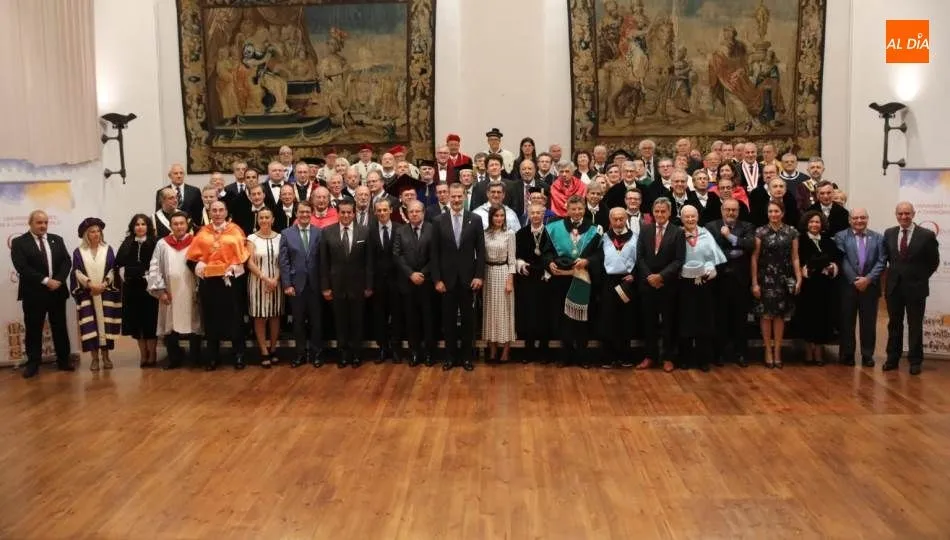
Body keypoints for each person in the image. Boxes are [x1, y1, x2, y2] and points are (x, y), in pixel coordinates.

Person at [187, 200, 250, 370]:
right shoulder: (202, 232)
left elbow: (244, 255)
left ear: (226, 212)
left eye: (221, 210)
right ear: (209, 212)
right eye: (214, 210)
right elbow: (191, 258)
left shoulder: (235, 230)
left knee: (235, 318)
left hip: (230, 283)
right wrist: (198, 265)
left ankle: (239, 354)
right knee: (211, 319)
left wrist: (234, 267)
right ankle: (213, 357)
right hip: (210, 284)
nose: (217, 213)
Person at [11, 210, 74, 378]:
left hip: (57, 292)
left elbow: (67, 261)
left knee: (60, 327)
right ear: (30, 223)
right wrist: (47, 281)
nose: (43, 226)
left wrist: (59, 280)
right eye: (39, 222)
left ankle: (63, 360)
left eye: (45, 222)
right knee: (33, 329)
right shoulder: (19, 243)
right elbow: (22, 268)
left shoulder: (57, 240)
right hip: (34, 294)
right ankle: (33, 363)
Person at [543, 195, 603, 367]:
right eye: (573, 209)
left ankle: (583, 356)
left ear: (584, 209)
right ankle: (565, 355)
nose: (577, 213)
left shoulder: (594, 230)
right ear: (567, 210)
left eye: (580, 209)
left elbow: (600, 254)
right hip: (561, 280)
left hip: (582, 279)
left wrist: (588, 261)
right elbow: (546, 252)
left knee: (582, 318)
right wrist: (549, 263)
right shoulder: (554, 228)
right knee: (563, 319)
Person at [432, 182, 486, 371]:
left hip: (468, 279)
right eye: (452, 196)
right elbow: (434, 253)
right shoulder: (439, 221)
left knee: (468, 321)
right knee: (448, 321)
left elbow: (481, 250)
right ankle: (450, 357)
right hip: (446, 281)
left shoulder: (476, 219)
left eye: (459, 196)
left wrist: (479, 276)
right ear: (448, 197)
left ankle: (466, 357)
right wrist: (437, 279)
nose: (455, 200)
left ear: (465, 197)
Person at [883, 202, 940, 375]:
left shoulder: (927, 235)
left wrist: (919, 278)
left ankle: (915, 361)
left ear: (913, 214)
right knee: (894, 324)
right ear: (896, 214)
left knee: (915, 325)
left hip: (916, 288)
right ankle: (892, 358)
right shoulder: (889, 233)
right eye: (900, 213)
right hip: (894, 288)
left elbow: (933, 262)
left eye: (907, 213)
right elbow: (887, 258)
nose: (904, 217)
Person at [320, 200, 374, 368]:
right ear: (338, 213)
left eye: (349, 212)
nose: (345, 215)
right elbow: (324, 262)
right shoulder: (327, 232)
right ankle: (343, 353)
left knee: (357, 321)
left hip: (358, 286)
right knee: (340, 322)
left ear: (354, 213)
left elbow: (369, 262)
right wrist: (325, 287)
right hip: (336, 286)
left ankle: (357, 353)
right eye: (342, 212)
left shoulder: (364, 232)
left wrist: (369, 285)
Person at [635, 198, 685, 372]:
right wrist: (649, 276)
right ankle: (650, 356)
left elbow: (679, 259)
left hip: (668, 284)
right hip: (647, 283)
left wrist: (661, 276)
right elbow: (639, 257)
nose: (660, 214)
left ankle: (668, 357)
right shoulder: (645, 230)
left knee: (669, 322)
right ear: (652, 212)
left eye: (663, 211)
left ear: (669, 212)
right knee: (649, 322)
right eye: (657, 211)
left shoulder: (677, 232)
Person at [147, 211, 202, 370]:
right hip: (170, 291)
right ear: (170, 226)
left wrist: (200, 289)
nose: (179, 226)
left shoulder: (195, 242)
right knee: (170, 324)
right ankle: (174, 359)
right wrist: (160, 290)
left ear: (187, 225)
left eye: (181, 223)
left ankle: (195, 358)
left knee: (194, 323)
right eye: (175, 224)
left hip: (191, 290)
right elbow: (154, 268)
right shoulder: (162, 244)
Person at [751, 201, 802, 369]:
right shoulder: (760, 232)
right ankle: (767, 350)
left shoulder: (791, 232)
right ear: (767, 213)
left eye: (776, 211)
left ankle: (778, 350)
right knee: (766, 316)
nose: (773, 214)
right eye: (771, 211)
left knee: (780, 316)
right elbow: (754, 258)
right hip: (765, 278)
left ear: (782, 212)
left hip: (784, 278)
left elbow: (795, 257)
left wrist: (798, 277)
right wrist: (754, 283)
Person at [706, 198, 756, 367]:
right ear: (722, 210)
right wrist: (735, 251)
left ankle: (741, 353)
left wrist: (730, 237)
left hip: (740, 282)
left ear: (738, 211)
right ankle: (718, 353)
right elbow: (711, 249)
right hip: (718, 281)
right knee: (719, 319)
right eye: (727, 210)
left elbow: (750, 245)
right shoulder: (711, 227)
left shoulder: (747, 226)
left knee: (740, 320)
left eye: (734, 210)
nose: (731, 213)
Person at [833, 208, 885, 367]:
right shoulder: (841, 236)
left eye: (862, 217)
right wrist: (856, 280)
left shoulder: (878, 238)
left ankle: (867, 355)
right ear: (850, 220)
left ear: (867, 219)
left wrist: (868, 279)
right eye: (855, 218)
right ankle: (847, 354)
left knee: (868, 323)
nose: (859, 221)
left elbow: (882, 261)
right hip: (848, 286)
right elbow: (842, 260)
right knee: (847, 321)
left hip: (870, 286)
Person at [677, 205, 726, 371]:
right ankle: (685, 358)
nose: (690, 220)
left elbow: (713, 256)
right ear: (681, 218)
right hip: (683, 283)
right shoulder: (677, 234)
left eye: (693, 216)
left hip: (704, 283)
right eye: (687, 217)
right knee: (685, 320)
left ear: (697, 217)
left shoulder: (706, 234)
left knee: (704, 320)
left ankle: (703, 359)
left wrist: (710, 269)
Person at [69, 218, 121, 371]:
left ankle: (106, 357)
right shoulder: (79, 252)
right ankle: (94, 359)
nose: (96, 234)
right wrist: (90, 284)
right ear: (86, 234)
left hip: (105, 294)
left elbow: (113, 269)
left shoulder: (107, 249)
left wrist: (104, 284)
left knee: (106, 325)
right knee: (90, 327)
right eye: (92, 231)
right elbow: (77, 271)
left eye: (98, 231)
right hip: (88, 293)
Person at [278, 201, 325, 368]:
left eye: (307, 212)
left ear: (311, 213)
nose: (304, 215)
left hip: (315, 285)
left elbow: (323, 261)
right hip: (296, 286)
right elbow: (284, 262)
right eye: (301, 212)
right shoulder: (286, 233)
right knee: (298, 322)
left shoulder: (320, 233)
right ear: (296, 214)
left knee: (316, 322)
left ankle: (316, 353)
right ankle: (299, 354)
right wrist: (287, 284)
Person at [393, 200, 437, 366]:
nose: (414, 214)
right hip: (408, 283)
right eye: (411, 211)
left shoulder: (432, 230)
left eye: (418, 211)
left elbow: (435, 256)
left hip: (427, 283)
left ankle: (429, 354)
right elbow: (397, 255)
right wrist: (411, 274)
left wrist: (422, 274)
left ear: (423, 213)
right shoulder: (400, 231)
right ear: (407, 213)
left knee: (428, 320)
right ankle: (414, 353)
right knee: (411, 321)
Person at [115, 214, 160, 368]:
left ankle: (152, 353)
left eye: (143, 224)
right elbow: (119, 264)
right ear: (132, 227)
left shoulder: (155, 243)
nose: (140, 227)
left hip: (150, 290)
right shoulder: (127, 243)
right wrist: (128, 272)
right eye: (137, 224)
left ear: (148, 226)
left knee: (150, 322)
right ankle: (143, 355)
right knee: (137, 324)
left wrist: (144, 273)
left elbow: (157, 264)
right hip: (132, 290)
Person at [598, 208, 638, 368]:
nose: (618, 222)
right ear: (610, 220)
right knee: (608, 319)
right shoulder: (604, 238)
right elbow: (598, 260)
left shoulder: (635, 238)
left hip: (627, 281)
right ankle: (608, 356)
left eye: (622, 219)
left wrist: (634, 275)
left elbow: (641, 259)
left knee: (626, 319)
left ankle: (626, 355)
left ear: (626, 219)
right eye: (615, 219)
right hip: (608, 282)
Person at [515, 202, 554, 363]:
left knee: (544, 315)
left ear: (544, 215)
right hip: (527, 280)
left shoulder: (551, 233)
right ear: (528, 215)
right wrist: (519, 263)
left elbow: (554, 253)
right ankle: (529, 350)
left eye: (539, 213)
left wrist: (547, 270)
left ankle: (544, 351)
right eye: (533, 213)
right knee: (528, 315)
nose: (536, 216)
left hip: (545, 279)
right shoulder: (521, 233)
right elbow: (516, 254)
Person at [246, 208, 283, 368]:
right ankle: (263, 351)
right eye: (261, 217)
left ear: (273, 219)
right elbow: (249, 262)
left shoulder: (281, 238)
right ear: (257, 219)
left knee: (275, 315)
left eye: (267, 217)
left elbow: (284, 261)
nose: (264, 220)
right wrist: (265, 278)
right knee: (260, 317)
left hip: (277, 282)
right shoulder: (251, 238)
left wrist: (275, 279)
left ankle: (273, 349)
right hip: (258, 282)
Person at [368, 198, 403, 364]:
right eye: (379, 210)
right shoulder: (370, 230)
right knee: (379, 317)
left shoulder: (400, 229)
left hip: (397, 282)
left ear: (390, 210)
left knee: (397, 316)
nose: (382, 213)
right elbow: (368, 260)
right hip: (378, 283)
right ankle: (382, 348)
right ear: (375, 213)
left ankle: (396, 348)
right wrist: (369, 284)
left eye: (384, 210)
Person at [482, 205, 517, 363]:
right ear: (491, 217)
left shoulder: (509, 234)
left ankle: (506, 351)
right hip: (488, 273)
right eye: (496, 216)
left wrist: (510, 280)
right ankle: (493, 350)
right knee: (490, 312)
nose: (499, 218)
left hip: (503, 273)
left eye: (502, 215)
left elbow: (512, 260)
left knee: (505, 312)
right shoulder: (485, 234)